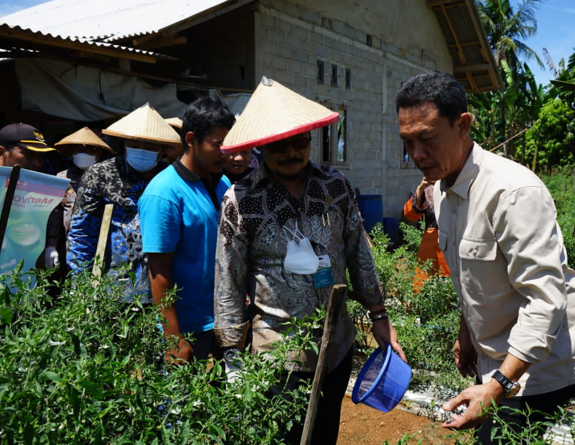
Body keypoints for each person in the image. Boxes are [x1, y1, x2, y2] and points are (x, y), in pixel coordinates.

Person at [394, 71, 575, 443]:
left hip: (544, 364)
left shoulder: (512, 192)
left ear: (463, 126)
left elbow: (544, 298)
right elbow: (467, 271)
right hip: (499, 356)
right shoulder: (440, 190)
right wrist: (467, 333)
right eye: (407, 143)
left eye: (427, 139)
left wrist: (500, 383)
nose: (417, 155)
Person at [214, 77, 406, 445]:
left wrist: (379, 314)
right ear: (262, 146)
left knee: (324, 435)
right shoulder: (241, 200)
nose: (291, 152)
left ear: (310, 139)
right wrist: (232, 354)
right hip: (278, 352)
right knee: (283, 438)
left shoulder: (335, 186)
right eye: (278, 145)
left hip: (336, 345)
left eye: (299, 142)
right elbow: (228, 278)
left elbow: (358, 252)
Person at [139, 97, 235, 364]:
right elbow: (158, 270)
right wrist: (173, 338)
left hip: (222, 317)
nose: (226, 153)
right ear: (191, 139)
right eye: (218, 145)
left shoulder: (221, 181)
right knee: (179, 403)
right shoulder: (164, 193)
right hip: (187, 325)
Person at [67, 104, 180, 303]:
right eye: (135, 143)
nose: (142, 150)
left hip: (164, 285)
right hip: (114, 288)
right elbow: (81, 233)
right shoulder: (100, 175)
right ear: (124, 143)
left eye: (150, 145)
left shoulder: (171, 176)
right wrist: (81, 285)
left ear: (162, 149)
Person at [43, 127, 115, 271]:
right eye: (78, 149)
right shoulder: (63, 178)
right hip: (70, 245)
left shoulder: (110, 178)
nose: (83, 153)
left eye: (89, 149)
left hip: (105, 243)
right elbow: (55, 213)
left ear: (98, 153)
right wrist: (51, 245)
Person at [404, 176, 450, 290]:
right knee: (426, 285)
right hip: (431, 246)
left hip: (453, 243)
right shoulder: (428, 189)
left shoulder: (459, 187)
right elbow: (411, 214)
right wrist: (420, 189)